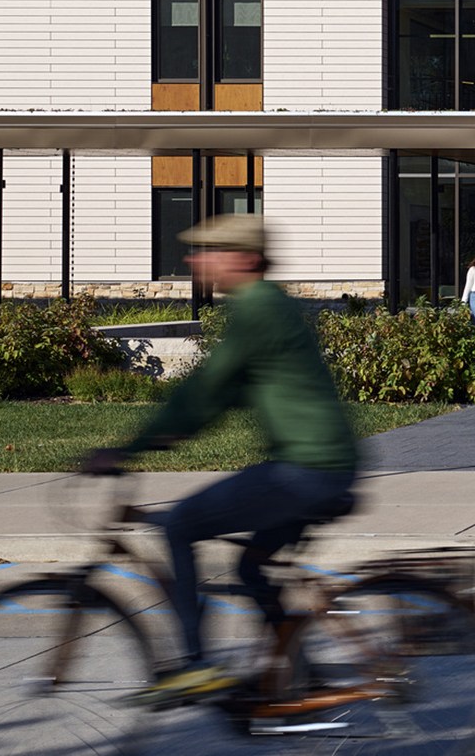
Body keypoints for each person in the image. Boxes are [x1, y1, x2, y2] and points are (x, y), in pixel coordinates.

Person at [80, 214, 359, 706]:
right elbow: (223, 394)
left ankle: (195, 665)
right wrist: (163, 435)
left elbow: (204, 395)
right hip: (320, 465)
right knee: (252, 569)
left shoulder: (258, 309)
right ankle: (301, 679)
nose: (195, 259)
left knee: (180, 526)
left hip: (305, 469)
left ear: (246, 258)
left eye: (211, 250)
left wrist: (128, 449)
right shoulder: (266, 306)